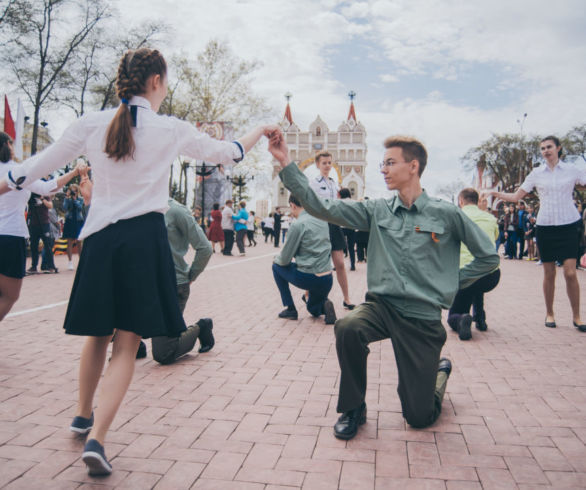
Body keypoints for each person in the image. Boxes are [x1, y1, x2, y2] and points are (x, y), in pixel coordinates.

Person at [0, 47, 280, 476]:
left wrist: (10, 180)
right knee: (126, 344)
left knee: (96, 334)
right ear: (155, 82)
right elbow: (230, 152)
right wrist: (261, 127)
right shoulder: (169, 128)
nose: (165, 90)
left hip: (99, 241)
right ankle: (97, 440)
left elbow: (34, 171)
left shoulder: (91, 124)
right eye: (165, 83)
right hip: (142, 241)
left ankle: (81, 413)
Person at [269, 134, 498, 439]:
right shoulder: (376, 210)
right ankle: (353, 408)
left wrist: (450, 283)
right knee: (348, 326)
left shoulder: (446, 213)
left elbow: (488, 257)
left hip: (422, 316)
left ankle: (439, 374)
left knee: (419, 416)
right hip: (381, 307)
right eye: (382, 163)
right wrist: (286, 162)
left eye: (390, 163)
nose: (383, 169)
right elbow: (321, 207)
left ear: (413, 166)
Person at [486, 135, 586, 331]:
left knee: (570, 272)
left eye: (549, 147)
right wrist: (494, 194)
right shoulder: (536, 173)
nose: (546, 151)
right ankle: (550, 313)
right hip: (546, 225)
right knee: (549, 273)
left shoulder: (573, 170)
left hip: (568, 224)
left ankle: (577, 316)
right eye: (542, 148)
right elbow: (516, 196)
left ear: (558, 148)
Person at [0, 132, 77, 321]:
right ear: (8, 145)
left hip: (9, 234)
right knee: (9, 296)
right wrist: (74, 172)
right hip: (10, 235)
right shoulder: (17, 171)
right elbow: (47, 188)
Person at [149, 198, 215, 364]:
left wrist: (190, 276)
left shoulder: (176, 211)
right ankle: (137, 344)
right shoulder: (136, 206)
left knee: (164, 353)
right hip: (143, 286)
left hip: (172, 286)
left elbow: (205, 248)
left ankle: (201, 327)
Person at [272, 194, 336, 324]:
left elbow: (284, 260)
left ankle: (290, 308)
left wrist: (276, 258)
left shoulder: (298, 224)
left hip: (308, 277)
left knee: (276, 266)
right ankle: (324, 305)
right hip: (327, 277)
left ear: (293, 205)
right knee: (312, 309)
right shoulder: (322, 220)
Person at [447, 188, 500, 340]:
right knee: (479, 275)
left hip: (465, 275)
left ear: (461, 201)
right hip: (491, 276)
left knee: (453, 315)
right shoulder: (490, 218)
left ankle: (461, 319)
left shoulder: (456, 217)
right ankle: (480, 318)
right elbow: (495, 237)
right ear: (477, 202)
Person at [309, 151, 355, 309]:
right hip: (320, 225)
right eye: (324, 163)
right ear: (317, 165)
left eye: (329, 162)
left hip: (334, 225)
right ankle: (309, 294)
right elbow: (311, 204)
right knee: (320, 264)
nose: (327, 165)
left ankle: (347, 298)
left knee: (340, 263)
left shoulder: (334, 183)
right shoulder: (313, 183)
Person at [27, 189, 58, 274]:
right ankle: (34, 267)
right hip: (33, 224)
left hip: (44, 223)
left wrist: (42, 199)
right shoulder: (30, 196)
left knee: (47, 245)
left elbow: (50, 205)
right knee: (33, 246)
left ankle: (51, 266)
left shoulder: (45, 195)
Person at [63, 183, 85, 270]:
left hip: (78, 221)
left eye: (75, 191)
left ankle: (81, 262)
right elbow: (64, 208)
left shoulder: (80, 199)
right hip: (70, 220)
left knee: (79, 242)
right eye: (72, 191)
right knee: (69, 242)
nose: (73, 192)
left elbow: (80, 208)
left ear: (77, 191)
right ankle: (70, 262)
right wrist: (67, 198)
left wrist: (75, 200)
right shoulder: (67, 199)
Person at [339, 188, 356, 271]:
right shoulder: (354, 202)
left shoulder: (339, 202)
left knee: (339, 247)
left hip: (341, 226)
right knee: (351, 247)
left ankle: (338, 265)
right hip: (351, 227)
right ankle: (353, 265)